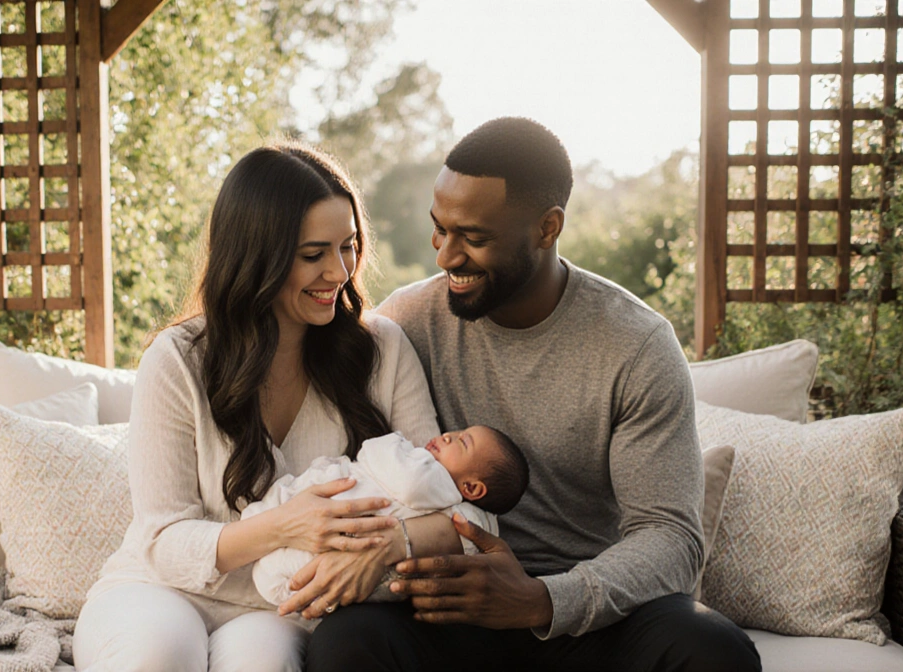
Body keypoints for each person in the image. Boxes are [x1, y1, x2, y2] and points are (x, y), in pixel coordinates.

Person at [306, 118, 762, 672]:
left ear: (547, 229)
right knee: (345, 642)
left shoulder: (635, 344)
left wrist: (543, 600)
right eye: (439, 229)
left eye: (474, 238)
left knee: (713, 648)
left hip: (581, 616)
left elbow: (671, 538)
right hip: (444, 607)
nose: (446, 256)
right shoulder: (410, 321)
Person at [72, 141, 450, 672]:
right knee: (157, 657)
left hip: (284, 607)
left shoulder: (383, 349)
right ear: (257, 257)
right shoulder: (179, 359)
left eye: (350, 246)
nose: (340, 272)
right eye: (314, 254)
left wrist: (386, 545)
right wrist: (286, 526)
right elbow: (162, 540)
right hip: (158, 589)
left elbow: (450, 509)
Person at [244, 426, 530, 606]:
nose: (447, 435)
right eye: (455, 432)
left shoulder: (427, 476)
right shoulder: (456, 510)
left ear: (471, 487)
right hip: (330, 557)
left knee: (284, 521)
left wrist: (393, 442)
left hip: (336, 539)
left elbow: (387, 463)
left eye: (461, 442)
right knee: (279, 571)